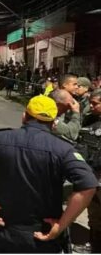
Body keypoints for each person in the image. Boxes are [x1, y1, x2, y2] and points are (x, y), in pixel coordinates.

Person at [0, 95, 98, 253]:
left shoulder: (0, 138)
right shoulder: (64, 149)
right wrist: (61, 225)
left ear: (24, 116)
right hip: (42, 234)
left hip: (3, 229)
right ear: (53, 123)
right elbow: (88, 186)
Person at [75, 89, 101, 253]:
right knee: (94, 214)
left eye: (95, 103)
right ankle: (94, 245)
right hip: (92, 176)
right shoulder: (90, 120)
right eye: (91, 103)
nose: (91, 106)